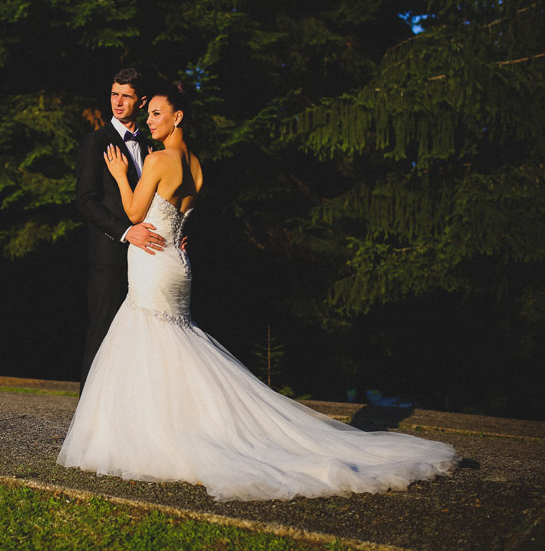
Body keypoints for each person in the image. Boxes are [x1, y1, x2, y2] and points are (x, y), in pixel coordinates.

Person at [58, 83, 457, 501]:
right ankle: (174, 425)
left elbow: (134, 212)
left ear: (178, 117)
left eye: (157, 113)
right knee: (174, 343)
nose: (149, 120)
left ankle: (160, 433)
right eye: (149, 113)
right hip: (178, 261)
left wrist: (120, 176)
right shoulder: (196, 165)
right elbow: (180, 215)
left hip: (154, 261)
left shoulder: (158, 159)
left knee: (152, 338)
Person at [75, 68, 166, 394]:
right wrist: (127, 232)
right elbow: (85, 202)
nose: (118, 102)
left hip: (148, 257)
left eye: (126, 96)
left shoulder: (152, 145)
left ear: (141, 102)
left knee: (141, 335)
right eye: (115, 94)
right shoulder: (95, 142)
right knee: (102, 331)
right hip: (110, 254)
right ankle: (88, 411)